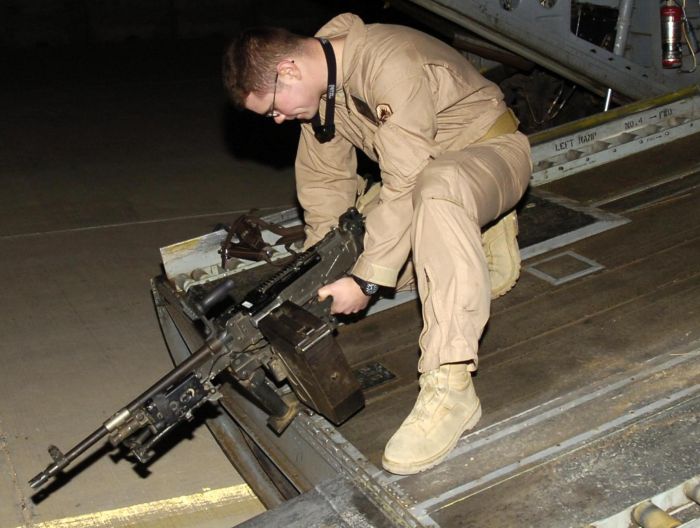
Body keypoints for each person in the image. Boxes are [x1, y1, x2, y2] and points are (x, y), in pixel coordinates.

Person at [222, 12, 531, 475]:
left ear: (287, 71)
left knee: (433, 190)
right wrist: (318, 280)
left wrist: (365, 281)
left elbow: (407, 179)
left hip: (490, 157)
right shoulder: (324, 94)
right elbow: (326, 187)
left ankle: (451, 386)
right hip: (425, 184)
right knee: (363, 234)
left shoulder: (388, 60)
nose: (279, 119)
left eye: (273, 109)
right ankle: (475, 242)